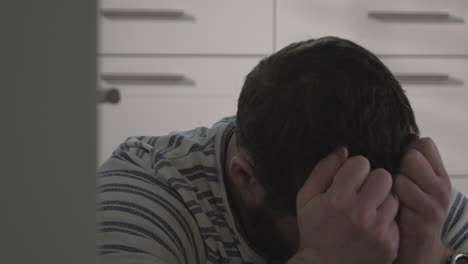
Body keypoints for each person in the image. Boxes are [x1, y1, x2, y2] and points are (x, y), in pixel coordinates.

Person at [97, 36, 468, 264]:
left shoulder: (398, 188)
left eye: (387, 213)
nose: (372, 227)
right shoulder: (142, 192)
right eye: (332, 219)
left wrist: (434, 257)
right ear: (246, 177)